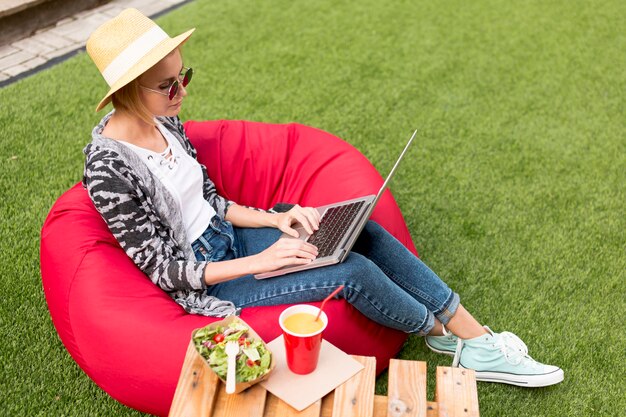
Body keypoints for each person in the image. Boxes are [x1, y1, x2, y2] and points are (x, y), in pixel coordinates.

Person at [83, 8, 563, 388]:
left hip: (234, 240)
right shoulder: (108, 170)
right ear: (127, 91)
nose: (181, 92)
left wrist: (276, 224)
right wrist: (263, 261)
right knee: (349, 270)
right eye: (168, 86)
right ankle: (450, 340)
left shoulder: (164, 123)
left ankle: (474, 333)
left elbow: (214, 202)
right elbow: (168, 272)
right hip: (211, 282)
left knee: (360, 230)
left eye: (183, 76)